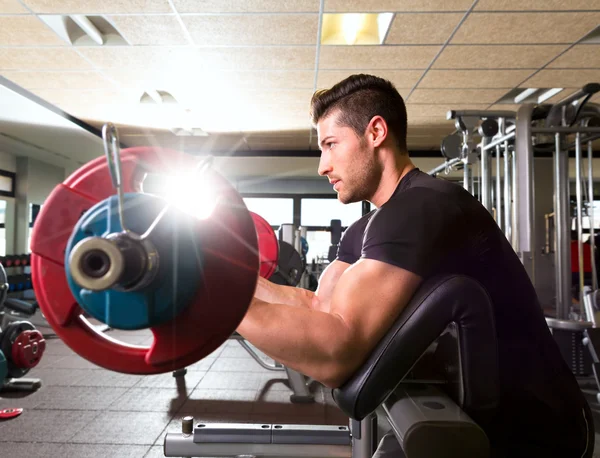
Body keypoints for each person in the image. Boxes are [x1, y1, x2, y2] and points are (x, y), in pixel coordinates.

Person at [236, 74, 593, 457]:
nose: (323, 165)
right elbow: (317, 307)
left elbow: (335, 350)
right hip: (461, 417)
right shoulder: (364, 229)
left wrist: (218, 301)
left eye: (331, 145)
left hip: (535, 434)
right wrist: (230, 277)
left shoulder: (423, 207)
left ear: (375, 132)